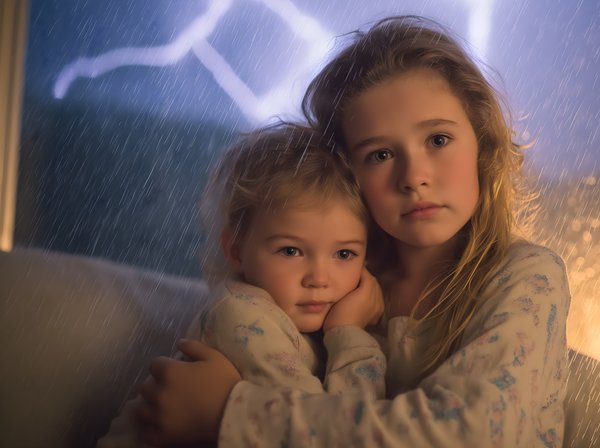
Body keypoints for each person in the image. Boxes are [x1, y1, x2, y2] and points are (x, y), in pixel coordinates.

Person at [137, 16, 571, 447]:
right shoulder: (329, 280)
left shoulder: (527, 276)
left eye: (438, 140)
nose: (414, 176)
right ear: (348, 176)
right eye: (380, 154)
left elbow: (472, 434)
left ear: (482, 144)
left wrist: (228, 413)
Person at [98, 122, 386, 447]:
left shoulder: (296, 320)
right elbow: (329, 432)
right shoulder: (245, 317)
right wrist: (350, 332)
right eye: (290, 251)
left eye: (344, 254)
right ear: (236, 250)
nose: (319, 278)